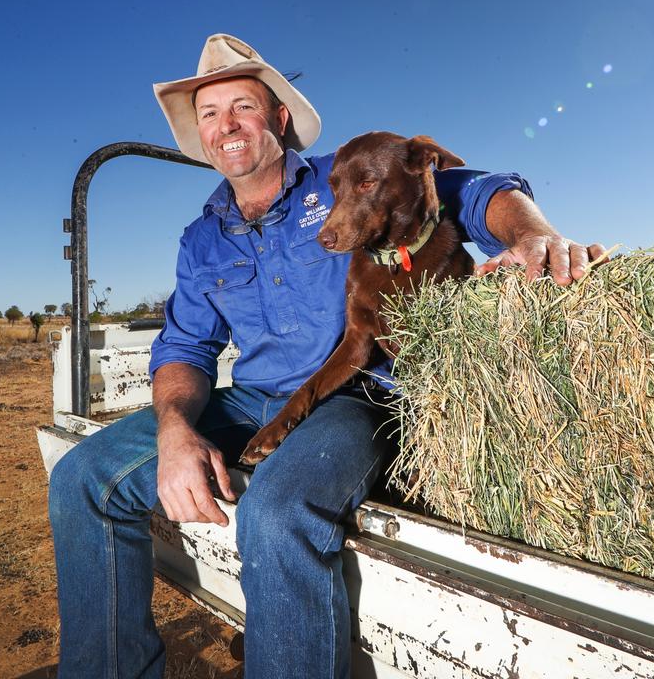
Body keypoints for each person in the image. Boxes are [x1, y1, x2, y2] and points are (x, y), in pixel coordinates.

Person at [48, 34, 605, 679]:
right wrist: (175, 429)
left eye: (242, 107)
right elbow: (185, 349)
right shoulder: (202, 239)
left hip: (355, 394)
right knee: (81, 479)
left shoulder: (351, 176)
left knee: (278, 511)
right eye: (209, 114)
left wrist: (535, 237)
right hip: (256, 398)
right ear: (199, 133)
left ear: (279, 119)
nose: (226, 125)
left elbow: (473, 191)